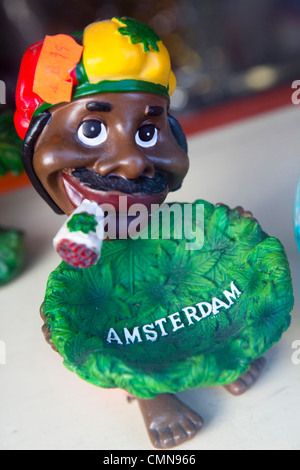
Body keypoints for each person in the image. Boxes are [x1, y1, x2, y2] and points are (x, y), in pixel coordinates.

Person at [15, 17, 293, 449]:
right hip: (118, 304)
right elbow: (77, 269)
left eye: (147, 132)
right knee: (120, 334)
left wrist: (227, 233)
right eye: (93, 129)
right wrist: (61, 310)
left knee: (213, 280)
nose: (131, 163)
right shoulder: (86, 221)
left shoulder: (158, 218)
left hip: (168, 268)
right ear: (37, 141)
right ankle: (155, 400)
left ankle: (224, 359)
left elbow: (191, 232)